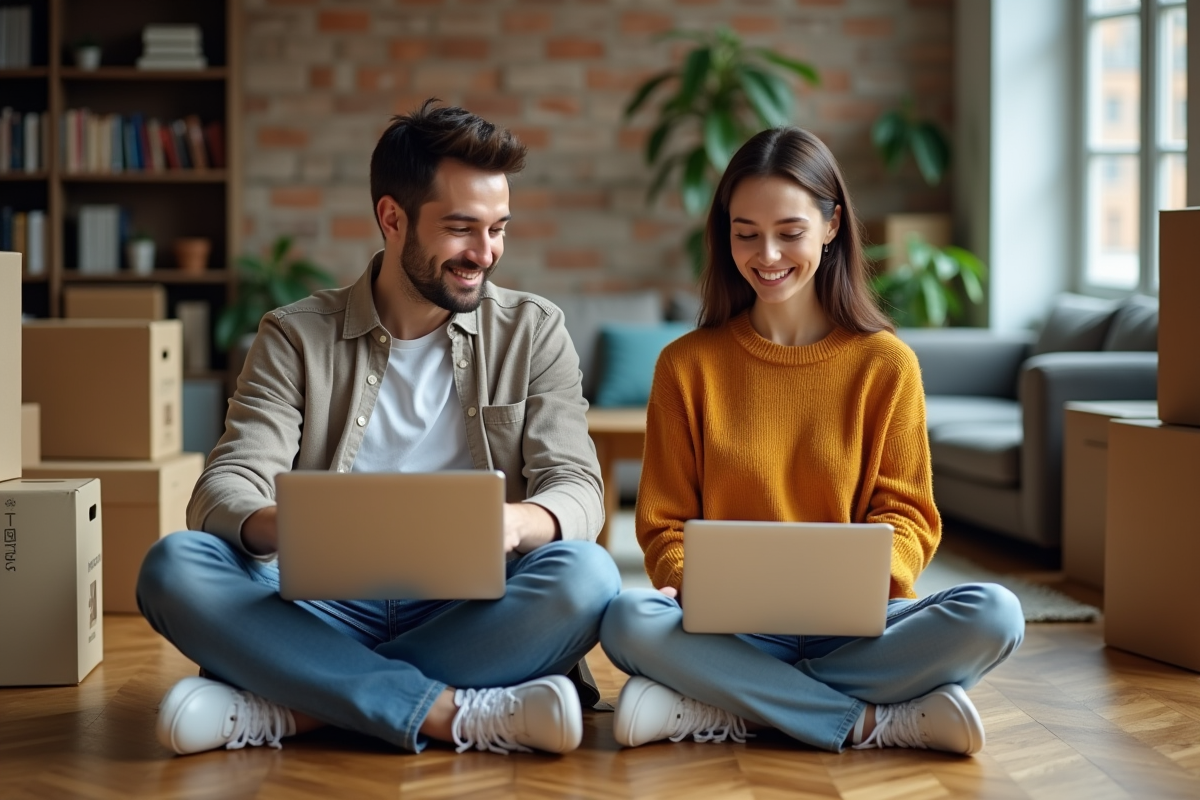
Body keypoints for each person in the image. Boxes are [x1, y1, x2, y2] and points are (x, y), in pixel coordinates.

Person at [138, 100, 621, 758]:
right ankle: (451, 712)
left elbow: (579, 488)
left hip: (470, 605)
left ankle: (299, 703)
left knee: (588, 578)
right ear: (392, 219)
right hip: (318, 602)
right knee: (174, 567)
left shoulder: (533, 332)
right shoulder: (295, 335)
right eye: (461, 229)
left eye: (499, 228)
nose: (486, 253)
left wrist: (512, 524)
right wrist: (288, 525)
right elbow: (226, 484)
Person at [598, 127, 1025, 756]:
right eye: (746, 233)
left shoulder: (887, 364)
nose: (767, 254)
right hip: (733, 632)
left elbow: (908, 516)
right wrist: (688, 581)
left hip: (855, 629)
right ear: (726, 235)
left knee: (996, 614)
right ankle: (868, 721)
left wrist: (870, 578)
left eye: (789, 232)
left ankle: (723, 703)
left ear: (831, 226)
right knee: (625, 620)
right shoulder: (686, 366)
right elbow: (663, 523)